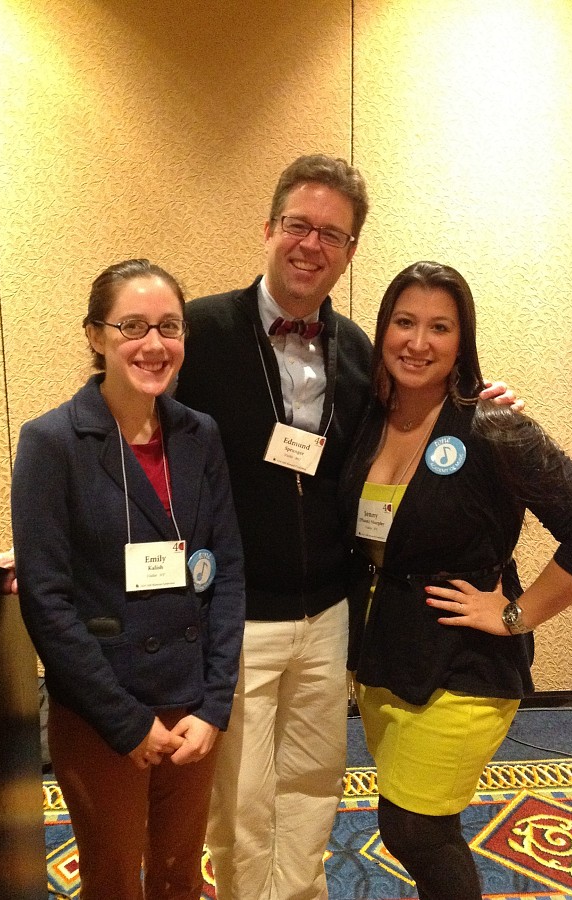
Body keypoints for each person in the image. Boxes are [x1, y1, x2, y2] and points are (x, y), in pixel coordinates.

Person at [174, 156, 519, 900]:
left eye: (332, 233)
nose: (311, 244)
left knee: (312, 788)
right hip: (236, 615)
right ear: (268, 229)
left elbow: (421, 422)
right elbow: (121, 419)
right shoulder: (200, 332)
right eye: (298, 225)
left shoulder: (362, 350)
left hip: (331, 615)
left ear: (352, 252)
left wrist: (481, 398)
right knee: (241, 803)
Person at [340, 260, 572, 900]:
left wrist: (518, 613)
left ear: (462, 341)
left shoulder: (494, 424)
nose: (417, 342)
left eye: (439, 327)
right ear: (384, 329)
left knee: (414, 829)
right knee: (413, 823)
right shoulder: (369, 416)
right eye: (404, 322)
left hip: (466, 660)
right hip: (384, 653)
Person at [9, 258, 245, 900]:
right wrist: (124, 721)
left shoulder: (200, 435)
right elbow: (47, 601)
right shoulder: (51, 442)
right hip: (103, 711)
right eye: (133, 325)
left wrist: (215, 705)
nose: (154, 344)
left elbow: (226, 575)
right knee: (113, 881)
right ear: (96, 335)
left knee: (178, 877)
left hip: (191, 705)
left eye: (169, 327)